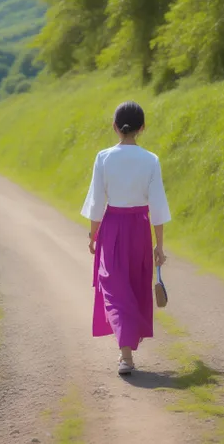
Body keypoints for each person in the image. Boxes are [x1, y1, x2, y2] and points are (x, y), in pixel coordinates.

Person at [81, 101, 171, 375]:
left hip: (113, 227)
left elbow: (98, 201)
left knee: (114, 288)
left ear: (115, 127)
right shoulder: (151, 159)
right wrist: (159, 245)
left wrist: (93, 234)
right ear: (142, 128)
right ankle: (127, 351)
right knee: (133, 284)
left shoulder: (104, 157)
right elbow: (157, 205)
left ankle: (126, 356)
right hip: (141, 229)